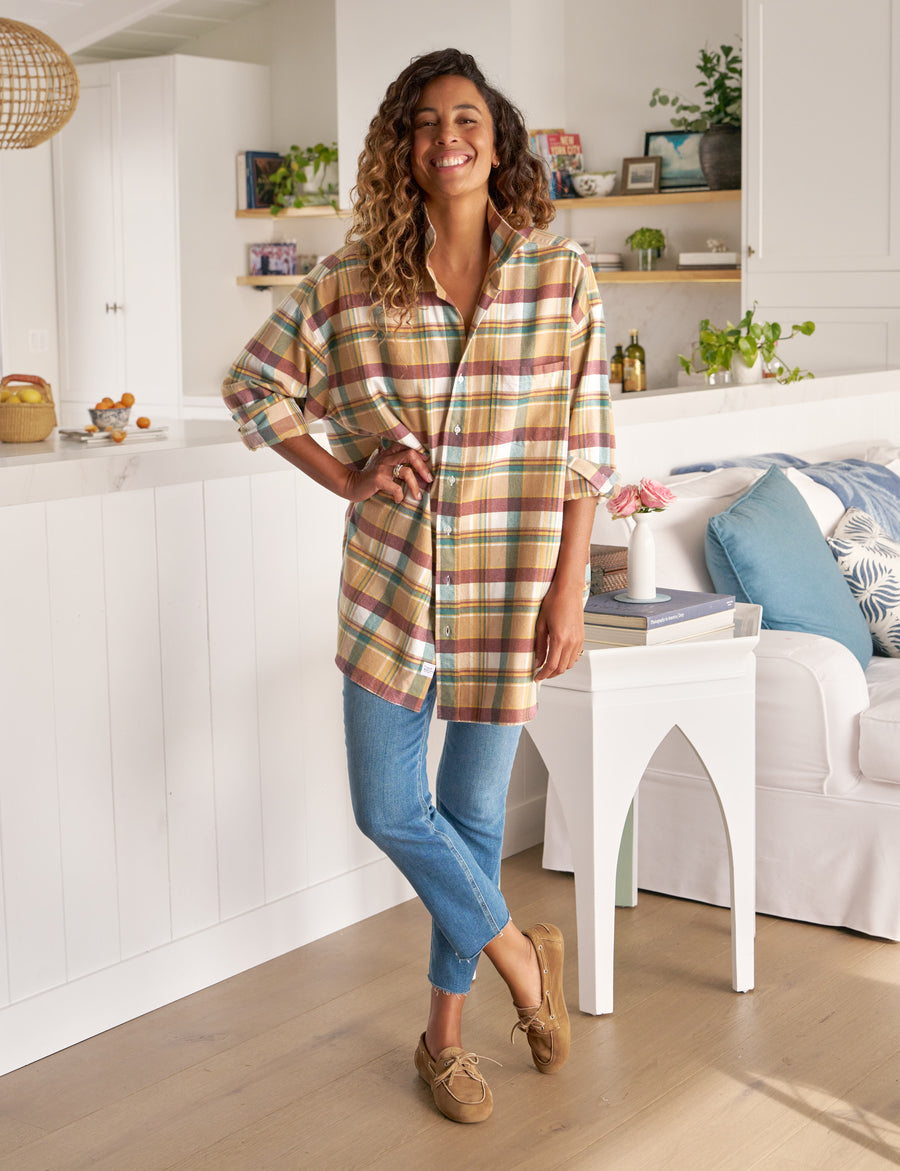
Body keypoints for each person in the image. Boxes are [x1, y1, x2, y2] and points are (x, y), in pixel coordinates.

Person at [222, 47, 616, 1124]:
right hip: (391, 587)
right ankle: (522, 962)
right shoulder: (349, 280)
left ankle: (442, 1043)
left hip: (507, 589)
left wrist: (568, 591)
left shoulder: (560, 280)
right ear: (405, 144)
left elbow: (587, 450)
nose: (448, 136)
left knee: (473, 814)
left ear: (499, 140)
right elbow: (255, 389)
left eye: (468, 119)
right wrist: (346, 474)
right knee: (391, 806)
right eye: (427, 121)